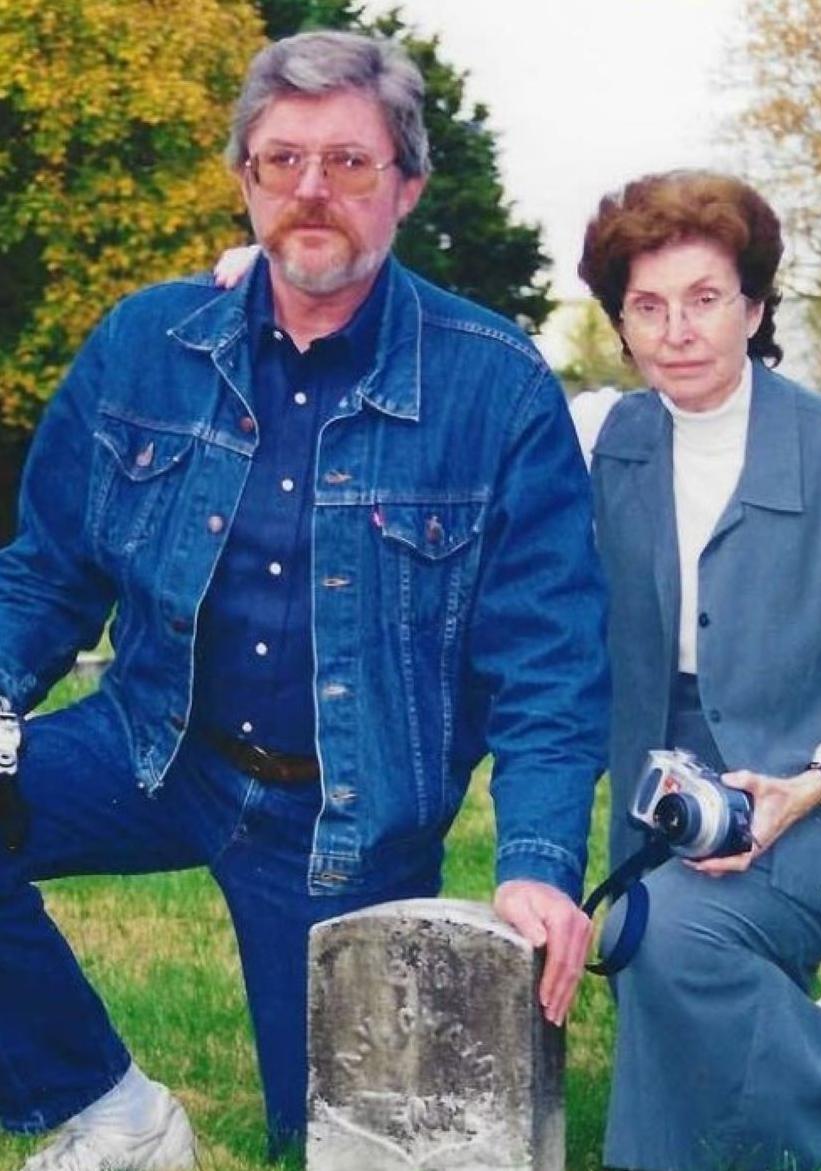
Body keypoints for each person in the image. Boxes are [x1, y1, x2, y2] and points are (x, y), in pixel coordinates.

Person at [0, 30, 608, 1171]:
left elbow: (549, 662)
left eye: (349, 162)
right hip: (154, 751)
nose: (311, 190)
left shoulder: (495, 385)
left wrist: (533, 861)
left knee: (333, 1143)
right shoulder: (145, 343)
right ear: (244, 178)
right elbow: (46, 570)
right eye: (281, 161)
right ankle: (110, 1110)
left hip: (346, 818)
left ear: (407, 187)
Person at [576, 169, 821, 1171]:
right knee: (644, 946)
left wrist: (811, 787)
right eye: (646, 306)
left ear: (755, 307)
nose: (675, 331)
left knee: (671, 941)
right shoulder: (601, 435)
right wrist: (275, 280)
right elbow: (463, 404)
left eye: (704, 299)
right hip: (675, 789)